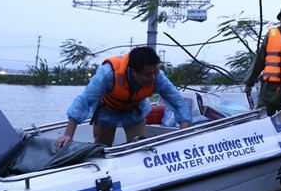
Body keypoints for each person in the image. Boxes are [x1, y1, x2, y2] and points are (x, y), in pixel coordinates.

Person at [55, 46, 191, 149]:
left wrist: (185, 132)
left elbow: (178, 102)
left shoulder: (157, 77)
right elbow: (84, 102)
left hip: (135, 112)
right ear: (133, 72)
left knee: (139, 147)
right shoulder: (108, 75)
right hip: (106, 112)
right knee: (101, 148)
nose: (153, 78)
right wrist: (68, 135)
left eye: (154, 72)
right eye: (147, 75)